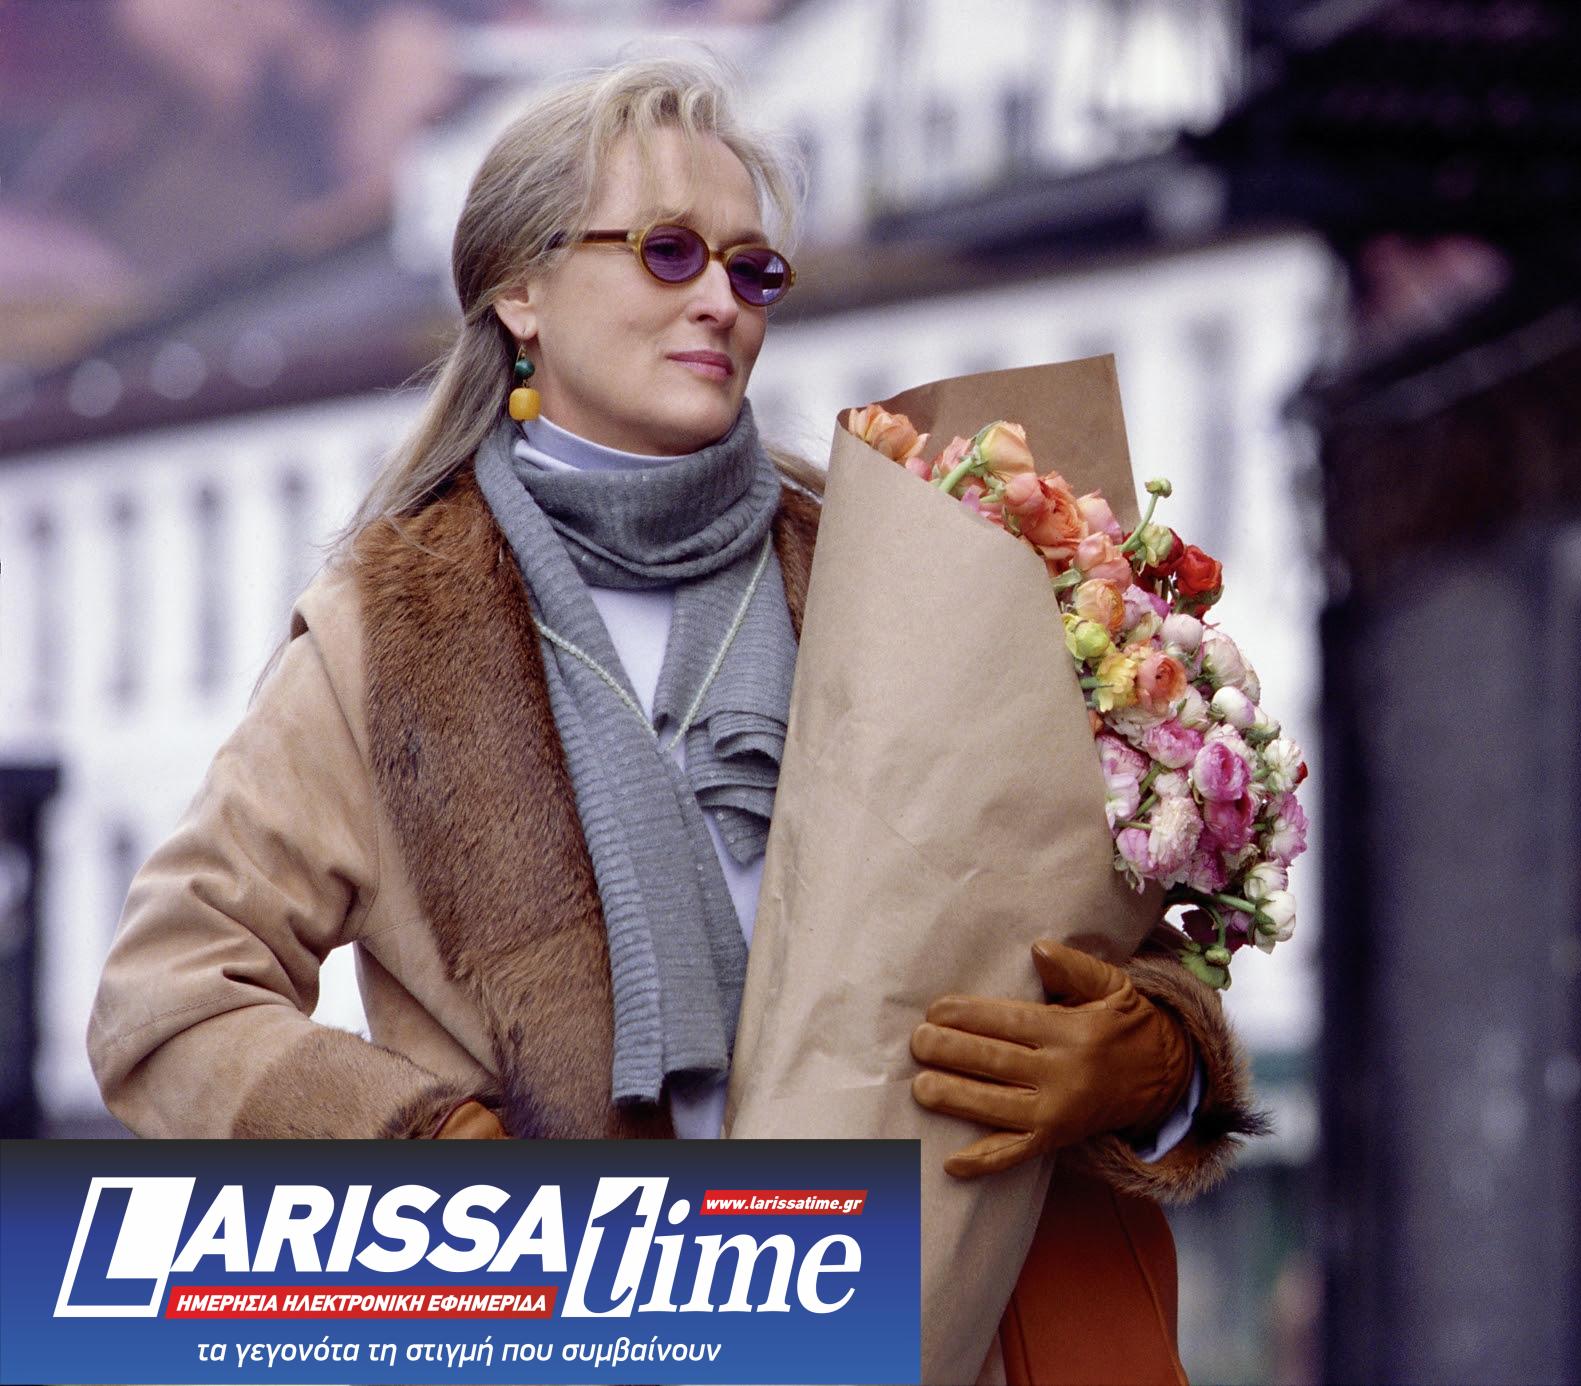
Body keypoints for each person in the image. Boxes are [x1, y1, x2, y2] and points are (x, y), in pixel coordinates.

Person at [86, 54, 1263, 1384]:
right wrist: (434, 1153)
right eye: (666, 251)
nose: (720, 300)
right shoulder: (387, 639)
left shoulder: (899, 568)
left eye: (754, 271)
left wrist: (1155, 1065)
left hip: (935, 1330)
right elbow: (166, 997)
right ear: (519, 290)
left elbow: (1084, 927)